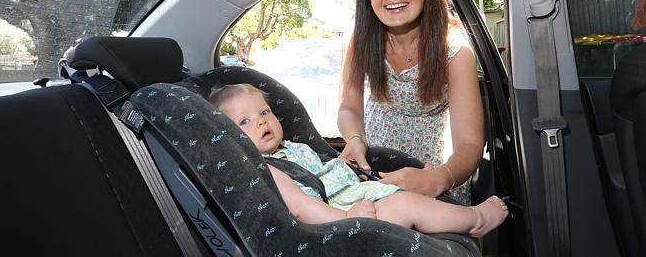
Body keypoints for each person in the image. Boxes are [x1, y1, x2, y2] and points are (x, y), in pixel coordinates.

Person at [208, 84, 507, 237]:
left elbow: (325, 171)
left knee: (411, 188)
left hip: (351, 196)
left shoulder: (291, 148)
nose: (261, 122)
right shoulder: (267, 168)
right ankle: (476, 220)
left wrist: (360, 175)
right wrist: (349, 218)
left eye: (264, 112)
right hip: (335, 220)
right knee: (406, 204)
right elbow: (301, 207)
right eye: (245, 121)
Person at [338, 0, 484, 205]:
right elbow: (349, 108)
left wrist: (439, 179)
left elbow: (470, 145)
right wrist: (355, 140)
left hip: (432, 173)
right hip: (375, 165)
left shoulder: (455, 52)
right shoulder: (360, 42)